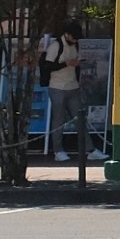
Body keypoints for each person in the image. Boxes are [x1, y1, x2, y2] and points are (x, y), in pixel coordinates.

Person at [39, 29, 82, 162]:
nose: (75, 41)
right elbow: (47, 66)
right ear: (67, 34)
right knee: (58, 119)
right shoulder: (56, 46)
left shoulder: (75, 45)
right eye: (74, 38)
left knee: (80, 118)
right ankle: (58, 151)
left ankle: (90, 149)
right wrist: (66, 64)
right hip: (57, 87)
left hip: (73, 86)